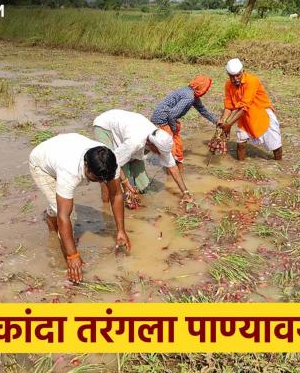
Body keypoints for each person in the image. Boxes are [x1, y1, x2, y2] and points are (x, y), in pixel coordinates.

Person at [29, 133, 131, 283]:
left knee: (57, 207)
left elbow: (115, 195)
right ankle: (65, 260)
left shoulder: (109, 162)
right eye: (96, 179)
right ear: (86, 165)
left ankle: (52, 225)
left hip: (64, 148)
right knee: (66, 214)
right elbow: (64, 217)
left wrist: (121, 230)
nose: (100, 183)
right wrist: (72, 255)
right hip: (41, 164)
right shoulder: (69, 170)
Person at [93, 109, 192, 206]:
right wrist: (126, 185)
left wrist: (185, 193)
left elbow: (173, 168)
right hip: (105, 126)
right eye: (158, 151)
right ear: (151, 144)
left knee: (143, 183)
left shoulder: (162, 140)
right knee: (107, 170)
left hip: (128, 128)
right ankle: (106, 205)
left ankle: (140, 196)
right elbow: (114, 163)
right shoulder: (135, 142)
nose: (160, 154)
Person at [218, 58, 282, 161]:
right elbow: (228, 106)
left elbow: (244, 107)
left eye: (237, 75)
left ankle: (279, 163)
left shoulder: (252, 81)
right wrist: (223, 121)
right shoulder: (228, 84)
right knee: (241, 144)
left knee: (275, 145)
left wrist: (229, 124)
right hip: (243, 116)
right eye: (232, 76)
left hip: (261, 113)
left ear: (243, 72)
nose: (235, 79)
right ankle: (240, 167)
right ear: (228, 75)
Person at [151, 75, 218, 171]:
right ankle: (172, 172)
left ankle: (178, 167)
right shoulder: (189, 97)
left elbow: (202, 110)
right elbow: (172, 114)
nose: (206, 91)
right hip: (162, 119)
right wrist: (174, 129)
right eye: (206, 88)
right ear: (201, 87)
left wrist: (216, 121)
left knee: (175, 143)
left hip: (166, 118)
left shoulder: (190, 93)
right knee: (171, 147)